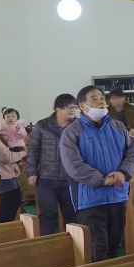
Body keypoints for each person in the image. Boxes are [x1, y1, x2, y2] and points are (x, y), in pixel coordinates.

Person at [60, 85, 134, 261]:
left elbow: (132, 152)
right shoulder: (72, 132)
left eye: (102, 98)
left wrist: (123, 173)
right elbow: (73, 165)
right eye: (94, 99)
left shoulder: (118, 127)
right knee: (98, 250)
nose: (101, 101)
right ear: (82, 106)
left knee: (114, 246)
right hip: (90, 199)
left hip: (117, 195)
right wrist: (101, 180)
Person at [26, 94, 80, 235]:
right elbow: (33, 149)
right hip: (46, 178)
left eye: (74, 107)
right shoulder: (42, 125)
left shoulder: (79, 126)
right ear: (58, 108)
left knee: (71, 214)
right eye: (69, 107)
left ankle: (72, 244)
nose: (73, 110)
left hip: (70, 178)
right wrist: (31, 172)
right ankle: (47, 244)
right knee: (47, 214)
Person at [0, 113, 27, 222]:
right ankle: (3, 227)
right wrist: (23, 153)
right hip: (4, 175)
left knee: (14, 202)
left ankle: (6, 226)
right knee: (8, 205)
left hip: (9, 173)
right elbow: (7, 157)